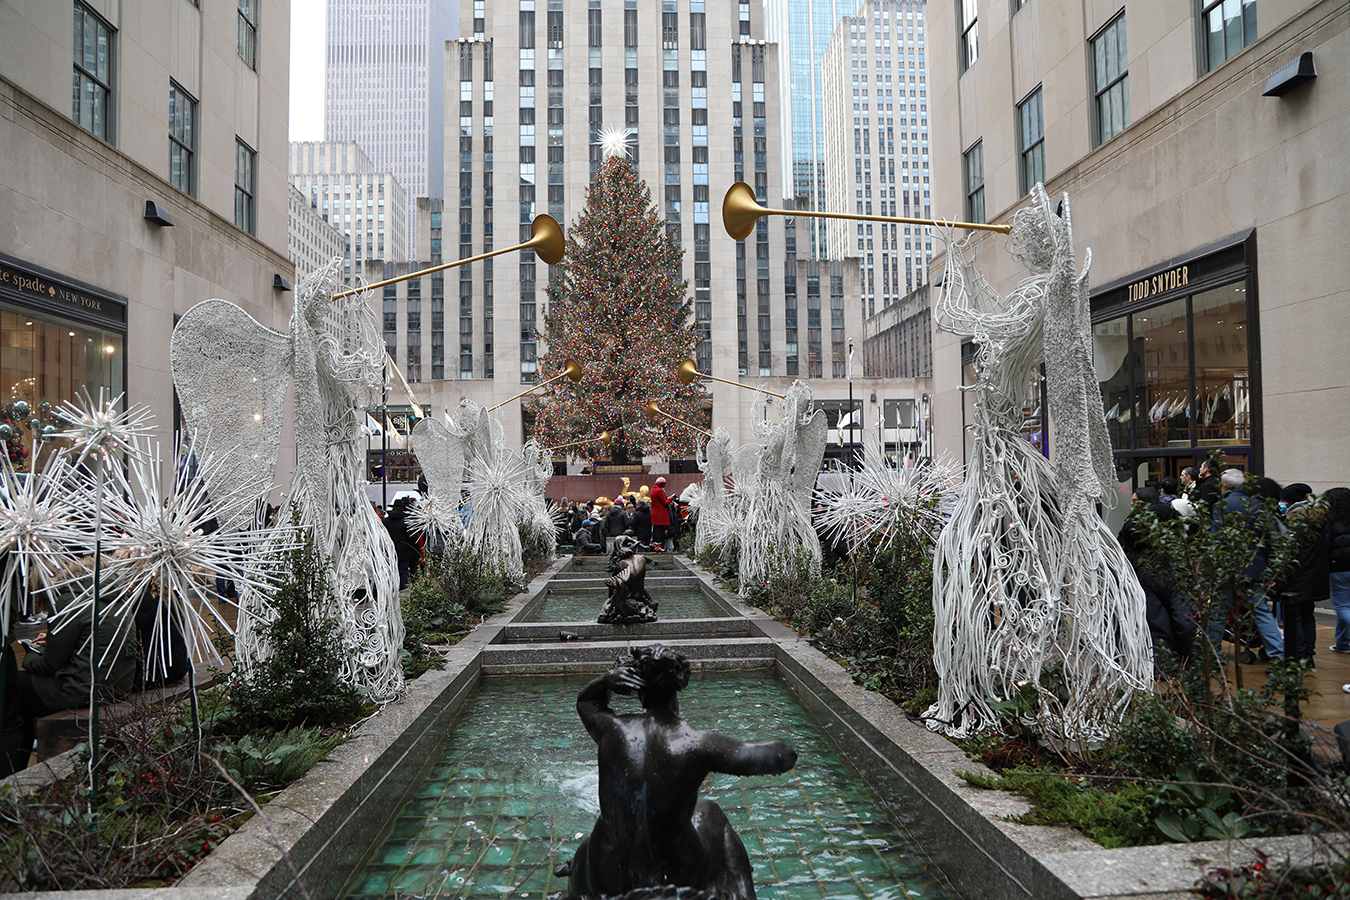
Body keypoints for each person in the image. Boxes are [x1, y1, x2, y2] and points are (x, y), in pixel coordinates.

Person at [558, 645, 797, 900]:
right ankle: (744, 894)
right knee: (709, 810)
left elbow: (585, 701)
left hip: (608, 874)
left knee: (600, 831)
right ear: (679, 685)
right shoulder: (697, 743)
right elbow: (782, 757)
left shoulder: (611, 729)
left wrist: (606, 681)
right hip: (675, 875)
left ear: (638, 688)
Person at [1, 572, 139, 777]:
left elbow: (49, 664)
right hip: (117, 685)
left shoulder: (69, 602)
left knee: (16, 692)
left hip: (85, 689)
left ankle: (14, 775)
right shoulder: (112, 594)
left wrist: (28, 655)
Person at [1209, 469, 1282, 660]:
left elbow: (1218, 541)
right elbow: (1268, 541)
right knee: (1262, 612)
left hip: (1228, 570)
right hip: (1255, 568)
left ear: (1224, 485)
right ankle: (1278, 653)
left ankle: (1212, 654)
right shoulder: (1259, 506)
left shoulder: (1221, 506)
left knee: (1218, 613)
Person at [1278, 484, 1326, 662]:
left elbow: (1287, 552)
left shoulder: (1295, 522)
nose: (1281, 503)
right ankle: (1309, 655)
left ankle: (1297, 655)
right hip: (1314, 577)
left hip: (1296, 577)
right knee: (1307, 615)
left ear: (1291, 502)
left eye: (1283, 500)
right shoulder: (1319, 521)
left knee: (1293, 617)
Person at [1325, 488, 1350, 653]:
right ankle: (1342, 643)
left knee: (1342, 607)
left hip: (1338, 568)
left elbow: (1325, 545)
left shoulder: (1329, 521)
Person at [383, 497, 421, 589]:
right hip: (405, 550)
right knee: (403, 572)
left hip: (391, 550)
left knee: (393, 571)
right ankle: (402, 593)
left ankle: (392, 589)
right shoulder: (406, 521)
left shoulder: (386, 521)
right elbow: (412, 537)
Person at [649, 477, 672, 552]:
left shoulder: (653, 490)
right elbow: (665, 502)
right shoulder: (659, 491)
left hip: (655, 512)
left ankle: (656, 545)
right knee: (659, 530)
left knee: (656, 529)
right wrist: (671, 498)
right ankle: (658, 546)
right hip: (660, 513)